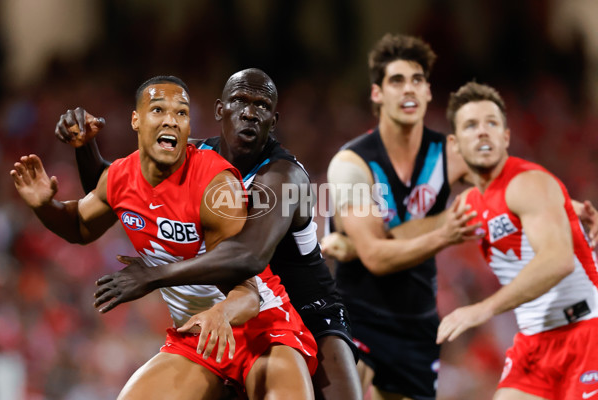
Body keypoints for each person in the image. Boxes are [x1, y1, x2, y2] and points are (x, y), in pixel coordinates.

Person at [55, 69, 361, 400]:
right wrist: (85, 147)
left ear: (273, 121)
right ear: (219, 110)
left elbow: (248, 256)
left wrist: (154, 276)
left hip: (307, 309)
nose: (249, 112)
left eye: (261, 106)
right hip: (235, 310)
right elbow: (115, 190)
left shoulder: (283, 176)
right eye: (240, 101)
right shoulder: (195, 158)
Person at [322, 33, 487, 400]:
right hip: (356, 314)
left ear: (429, 92)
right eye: (396, 80)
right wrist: (446, 231)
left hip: (417, 321)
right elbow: (377, 257)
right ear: (377, 93)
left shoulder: (450, 153)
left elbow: (510, 186)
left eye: (417, 80)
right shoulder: (352, 164)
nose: (408, 90)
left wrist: (567, 209)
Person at [437, 80, 598, 399]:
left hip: (583, 330)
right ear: (454, 144)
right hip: (536, 340)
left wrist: (482, 309)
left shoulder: (529, 184)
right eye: (471, 125)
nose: (483, 132)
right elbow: (419, 235)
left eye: (492, 123)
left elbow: (558, 261)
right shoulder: (471, 203)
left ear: (506, 137)